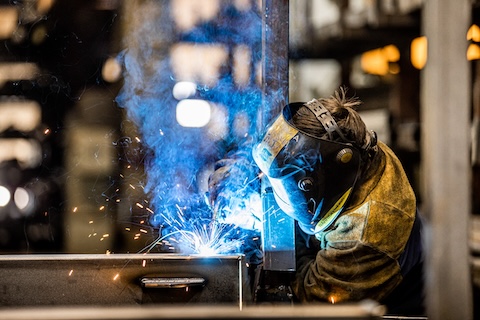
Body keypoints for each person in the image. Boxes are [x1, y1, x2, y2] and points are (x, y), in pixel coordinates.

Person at [209, 87, 425, 315]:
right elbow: (282, 154)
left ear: (319, 181)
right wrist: (239, 175)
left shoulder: (364, 235)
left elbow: (313, 298)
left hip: (390, 308)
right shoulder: (345, 146)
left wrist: (279, 232)